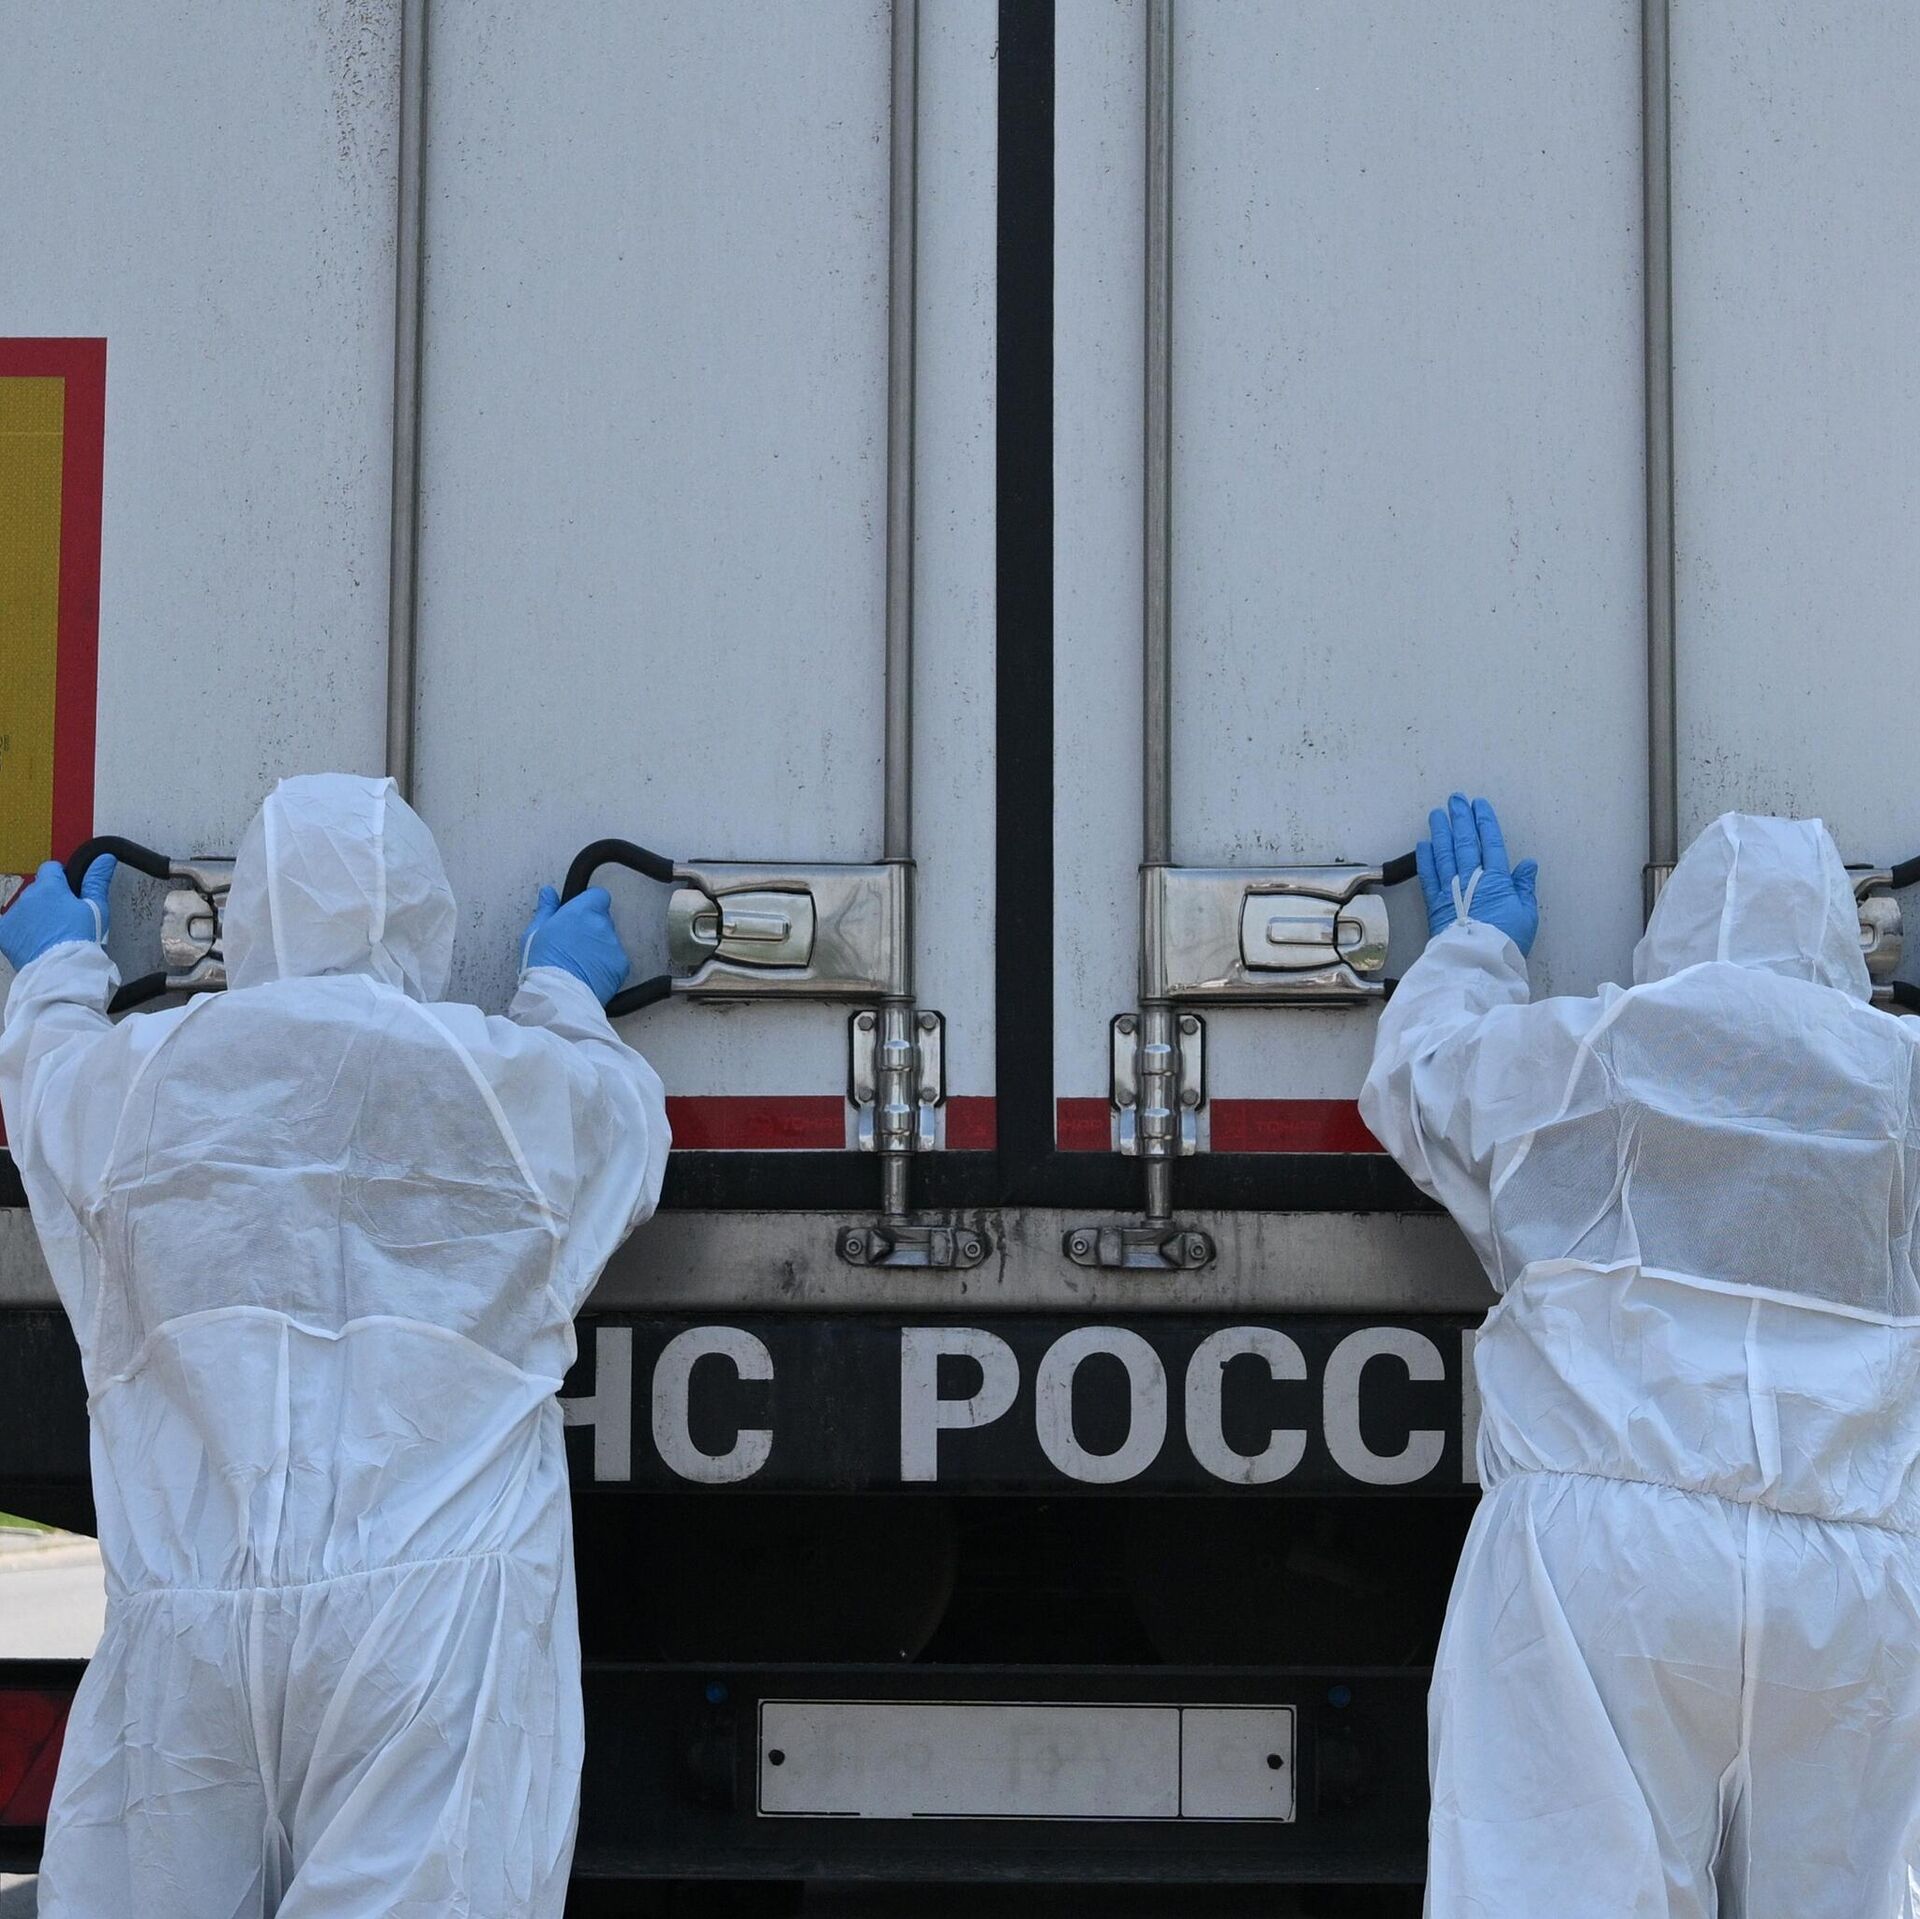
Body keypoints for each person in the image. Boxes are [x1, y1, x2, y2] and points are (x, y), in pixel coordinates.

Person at [0, 773, 668, 1918]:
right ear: (424, 913)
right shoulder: (488, 1082)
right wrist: (562, 991)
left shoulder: (145, 1074)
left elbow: (50, 1091)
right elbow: (617, 1129)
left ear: (252, 913)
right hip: (422, 1630)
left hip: (192, 1621)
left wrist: (58, 967)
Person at [1361, 796, 1920, 1918]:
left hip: (1600, 1561)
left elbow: (1420, 1081)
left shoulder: (1596, 1050)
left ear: (1673, 932)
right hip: (1856, 1572)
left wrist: (1474, 941)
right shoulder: (1900, 1080)